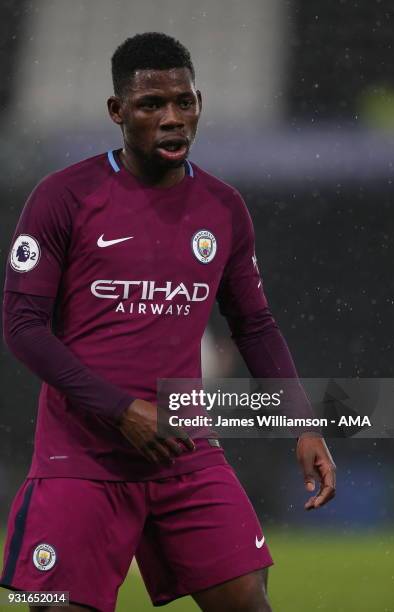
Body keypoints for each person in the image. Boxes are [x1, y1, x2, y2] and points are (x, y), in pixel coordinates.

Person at [0, 32, 336, 612]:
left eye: (184, 102)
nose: (172, 118)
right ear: (117, 112)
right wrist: (120, 410)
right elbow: (23, 326)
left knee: (249, 602)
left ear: (199, 102)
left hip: (186, 452)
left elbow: (254, 326)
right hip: (82, 460)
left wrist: (303, 424)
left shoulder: (223, 208)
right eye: (151, 105)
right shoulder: (62, 198)